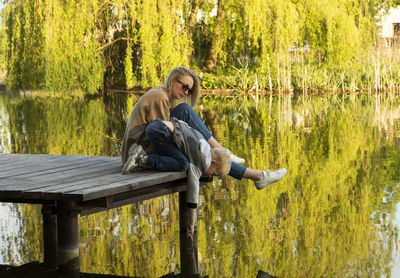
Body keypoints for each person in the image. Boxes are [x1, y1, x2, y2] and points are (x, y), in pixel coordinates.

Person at [121, 66, 287, 190]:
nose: (186, 92)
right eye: (184, 86)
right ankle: (252, 172)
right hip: (139, 151)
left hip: (148, 145)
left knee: (185, 113)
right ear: (172, 81)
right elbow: (160, 133)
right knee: (202, 155)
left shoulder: (163, 96)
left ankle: (226, 155)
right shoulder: (159, 97)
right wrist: (199, 149)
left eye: (190, 90)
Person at [123, 118, 233, 234]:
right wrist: (191, 223)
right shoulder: (197, 164)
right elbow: (193, 195)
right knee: (183, 164)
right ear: (213, 162)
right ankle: (142, 158)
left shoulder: (201, 140)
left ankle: (142, 156)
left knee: (177, 158)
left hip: (158, 125)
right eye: (214, 173)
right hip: (162, 132)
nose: (210, 176)